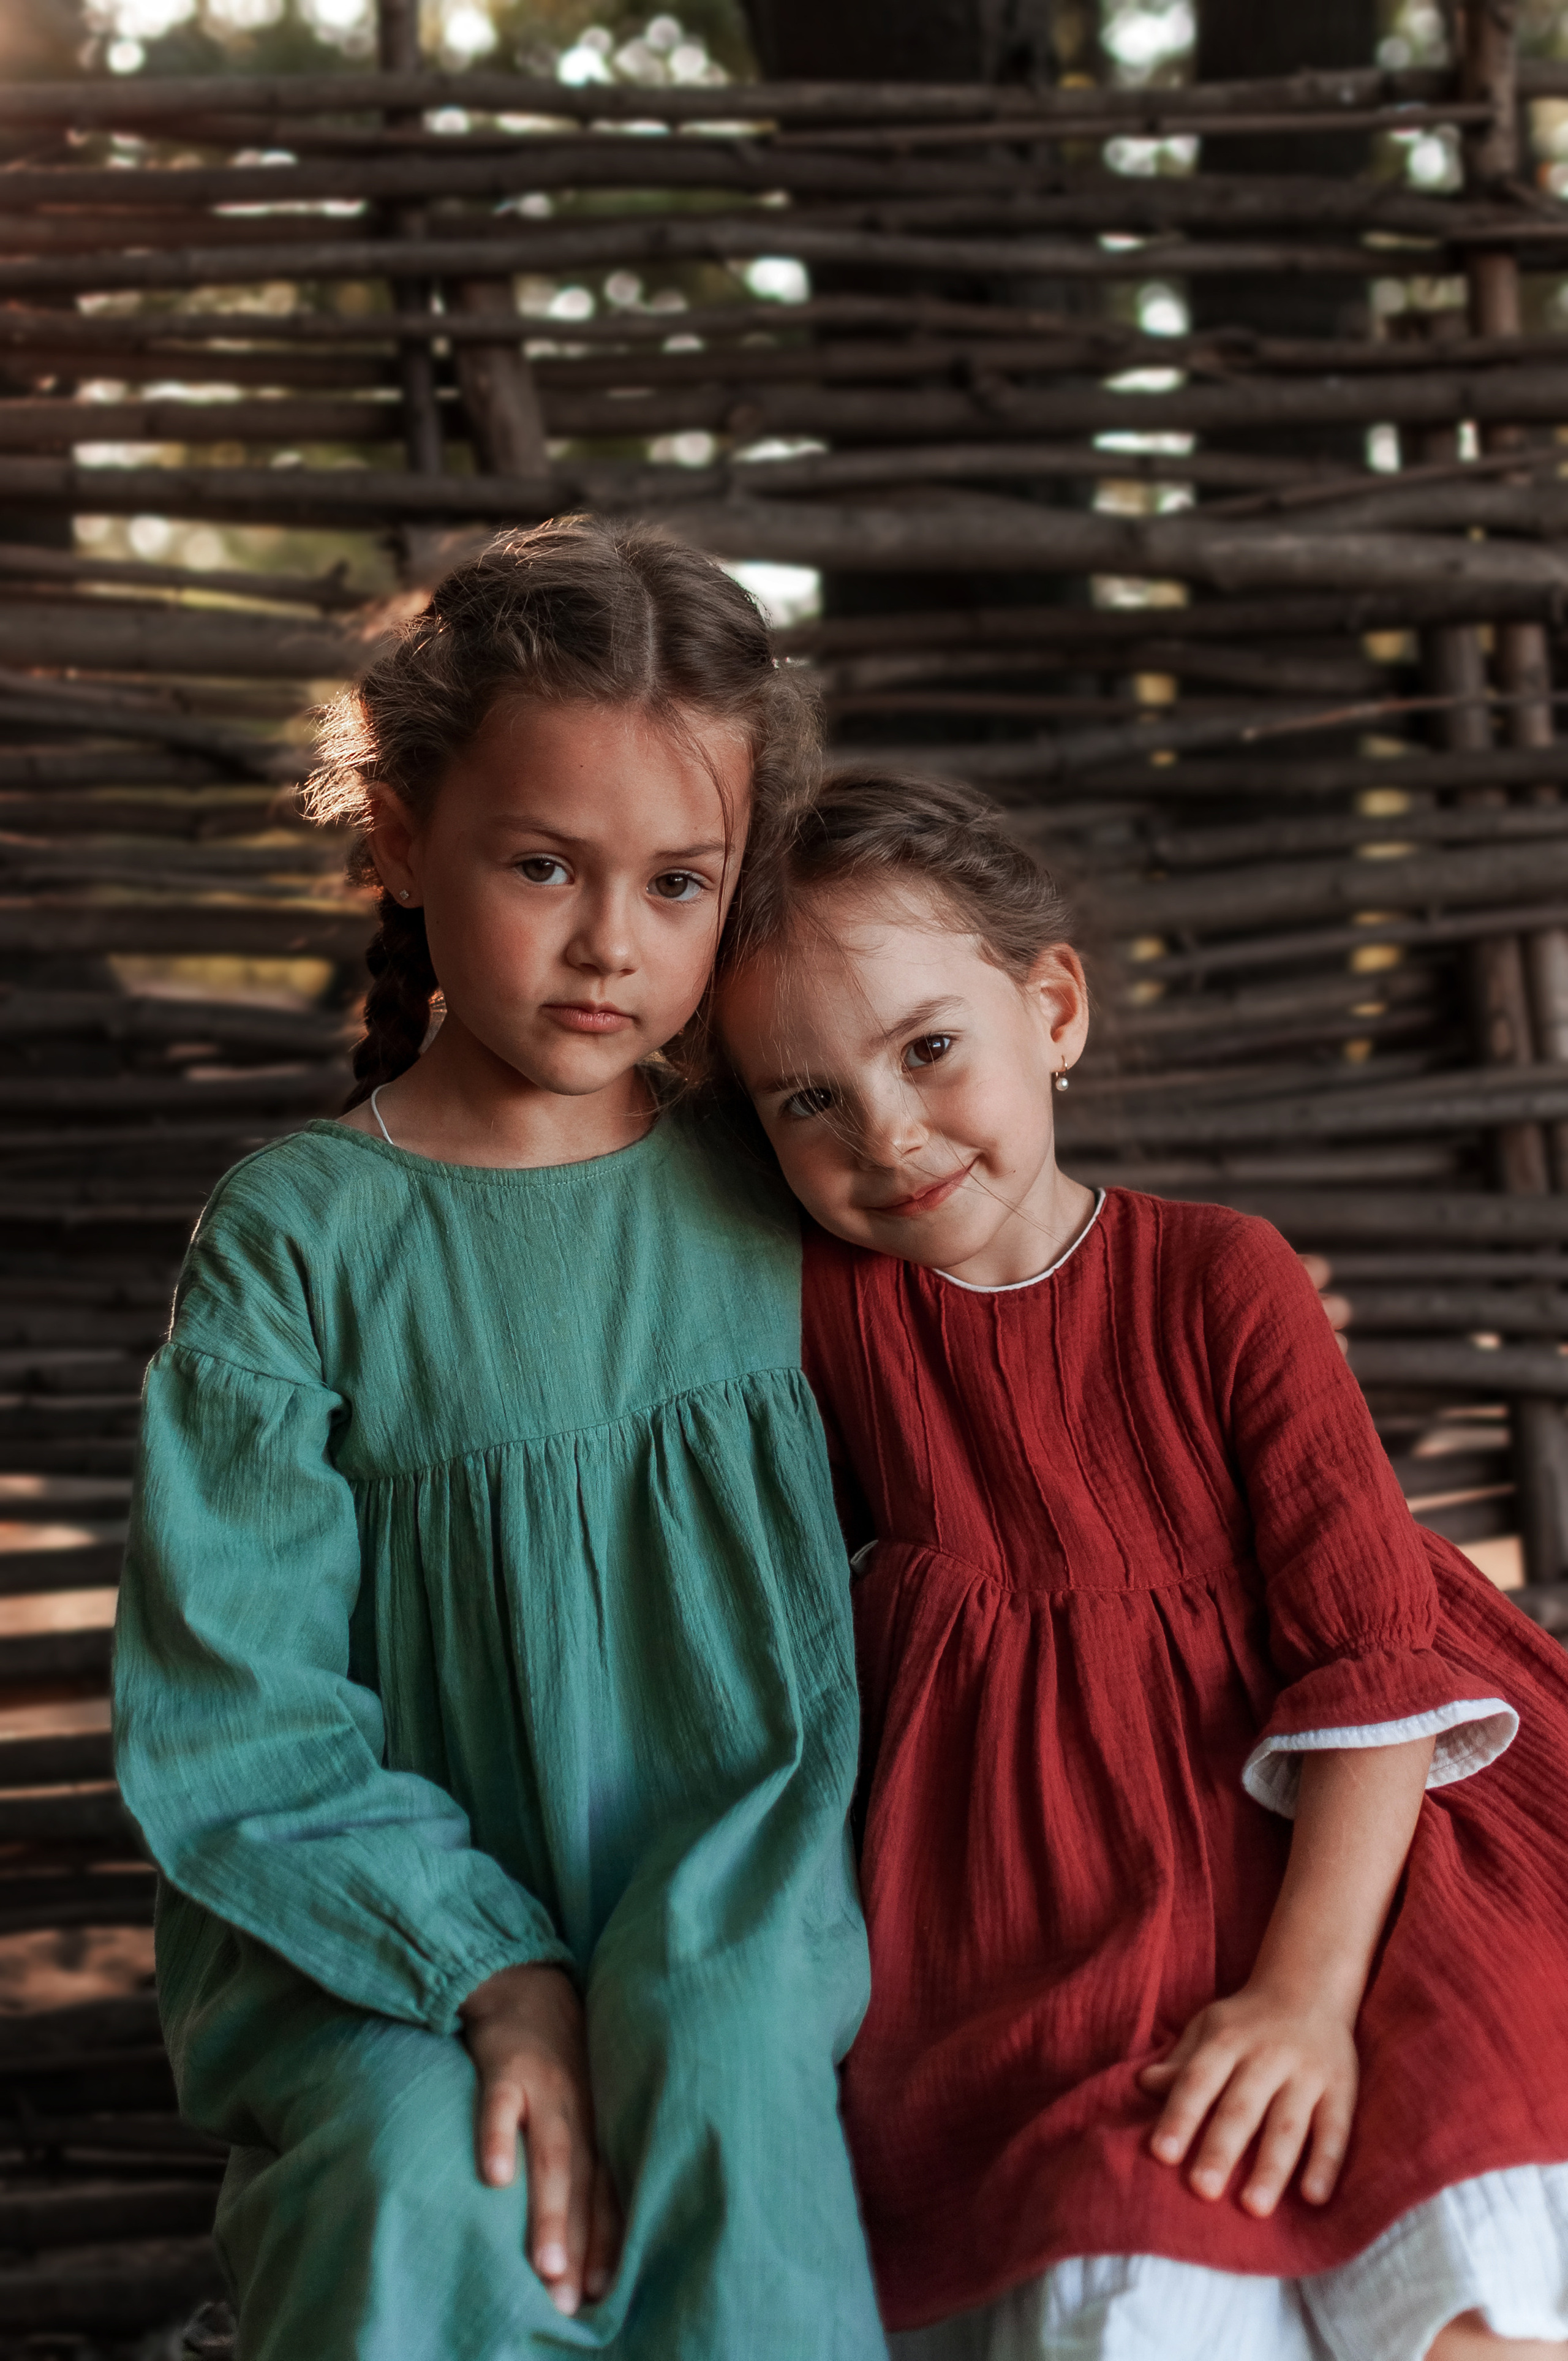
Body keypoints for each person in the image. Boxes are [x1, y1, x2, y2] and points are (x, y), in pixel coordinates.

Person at [111, 521, 888, 2361]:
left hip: (738, 1900)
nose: (613, 943)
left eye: (681, 883)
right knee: (416, 2166)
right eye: (545, 865)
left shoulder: (779, 1178)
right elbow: (243, 1708)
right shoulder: (303, 1239)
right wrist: (492, 1971)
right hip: (378, 1926)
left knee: (725, 2072)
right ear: (398, 833)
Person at [714, 766, 1568, 2361]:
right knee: (1137, 2256)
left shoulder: (1220, 1278)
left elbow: (1374, 1658)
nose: (886, 1131)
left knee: (1460, 2257)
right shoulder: (817, 1322)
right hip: (1055, 1890)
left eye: (929, 1048)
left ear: (1053, 1009)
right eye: (805, 1100)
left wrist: (1307, 1997)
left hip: (1352, 1844)